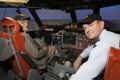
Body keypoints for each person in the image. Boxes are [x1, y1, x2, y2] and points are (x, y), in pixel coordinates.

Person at [69, 14, 120, 80]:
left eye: (91, 25)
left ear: (101, 24)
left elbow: (83, 76)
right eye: (85, 28)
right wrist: (80, 57)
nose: (87, 30)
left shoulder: (105, 43)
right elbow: (92, 47)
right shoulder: (108, 36)